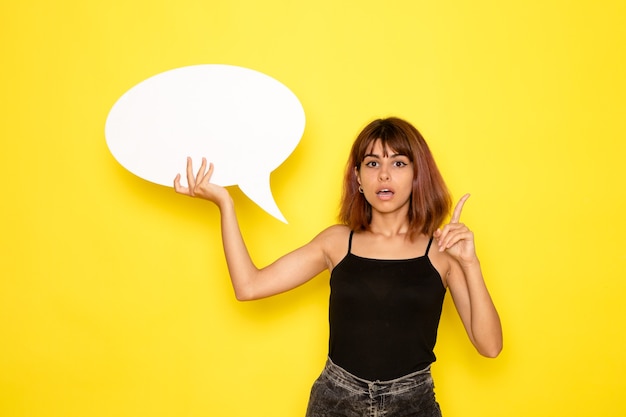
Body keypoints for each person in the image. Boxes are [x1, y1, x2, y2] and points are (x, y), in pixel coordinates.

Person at [174, 117, 502, 417]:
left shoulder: (443, 252)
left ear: (417, 175)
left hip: (413, 404)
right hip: (336, 402)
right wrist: (225, 204)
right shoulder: (336, 242)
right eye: (372, 163)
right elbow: (249, 286)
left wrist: (470, 264)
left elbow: (490, 346)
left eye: (398, 163)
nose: (384, 174)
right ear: (358, 177)